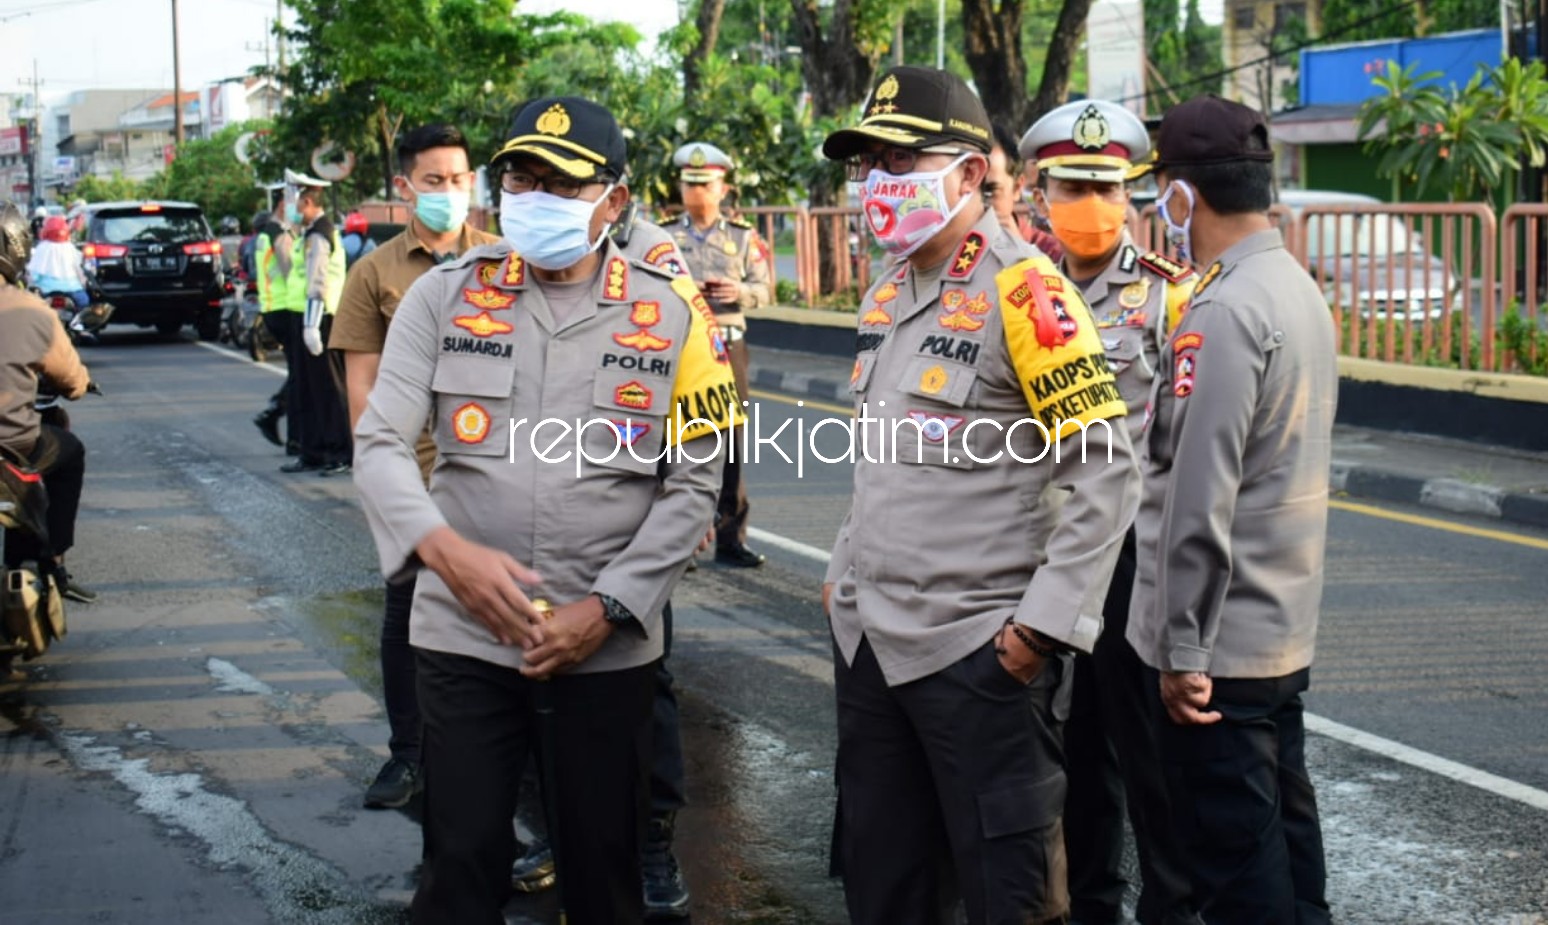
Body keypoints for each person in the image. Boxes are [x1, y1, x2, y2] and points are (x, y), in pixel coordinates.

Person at [353, 95, 739, 925]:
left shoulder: (672, 315)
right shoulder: (445, 297)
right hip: (461, 635)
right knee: (460, 864)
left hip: (605, 647)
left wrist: (606, 609)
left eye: (562, 183)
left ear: (615, 200)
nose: (535, 195)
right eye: (521, 177)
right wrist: (442, 552)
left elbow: (694, 484)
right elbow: (380, 440)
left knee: (603, 872)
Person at [820, 66, 1139, 925]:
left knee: (1012, 895)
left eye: (903, 158)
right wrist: (843, 568)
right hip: (872, 648)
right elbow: (881, 454)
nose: (881, 180)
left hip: (977, 653)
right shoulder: (888, 290)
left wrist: (1037, 629)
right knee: (885, 885)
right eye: (870, 162)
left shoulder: (1025, 288)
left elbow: (1106, 467)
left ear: (969, 172)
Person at [1126, 95, 1336, 924]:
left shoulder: (1220, 312)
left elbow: (1197, 496)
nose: (1154, 209)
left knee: (1236, 876)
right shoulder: (1296, 291)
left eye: (1159, 191)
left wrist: (1181, 651)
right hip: (1282, 634)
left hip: (1221, 658)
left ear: (1182, 196)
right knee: (1288, 846)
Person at [1020, 98, 1200, 925]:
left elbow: (1184, 441)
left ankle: (1171, 904)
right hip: (1046, 547)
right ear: (1041, 193)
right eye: (1072, 187)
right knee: (1073, 744)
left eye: (1105, 187)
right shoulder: (1021, 290)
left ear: (1131, 196)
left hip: (1133, 553)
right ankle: (1093, 903)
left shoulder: (1169, 298)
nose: (1090, 205)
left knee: (1148, 748)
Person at [329, 123, 499, 811]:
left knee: (497, 616)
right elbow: (362, 389)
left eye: (460, 180)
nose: (450, 193)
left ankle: (506, 766)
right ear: (405, 189)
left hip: (494, 476)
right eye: (434, 181)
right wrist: (386, 482)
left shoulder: (500, 259)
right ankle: (409, 753)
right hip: (418, 478)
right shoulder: (374, 274)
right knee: (407, 618)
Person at [667, 141, 771, 568]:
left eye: (705, 184)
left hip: (728, 343)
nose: (696, 193)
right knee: (678, 442)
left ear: (723, 188)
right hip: (680, 342)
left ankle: (730, 535)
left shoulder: (745, 239)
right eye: (689, 184)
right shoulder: (665, 237)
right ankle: (680, 540)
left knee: (731, 441)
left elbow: (766, 291)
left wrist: (739, 291)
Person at [0, 200, 96, 604]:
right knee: (69, 452)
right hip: (14, 445)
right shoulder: (33, 310)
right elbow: (73, 382)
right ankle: (52, 559)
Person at [278, 169, 351, 475]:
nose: (288, 206)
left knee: (329, 390)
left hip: (321, 320)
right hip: (304, 317)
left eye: (292, 200)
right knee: (306, 389)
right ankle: (313, 451)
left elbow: (317, 282)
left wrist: (311, 324)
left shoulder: (321, 233)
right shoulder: (307, 233)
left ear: (307, 201)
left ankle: (339, 452)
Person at [986, 123, 1063, 261]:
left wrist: (1020, 254)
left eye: (990, 192)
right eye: (967, 191)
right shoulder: (943, 247)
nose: (976, 204)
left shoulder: (1051, 253)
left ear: (1017, 188)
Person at [252, 201, 294, 449]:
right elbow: (291, 271)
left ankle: (279, 415)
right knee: (301, 375)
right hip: (284, 307)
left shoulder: (263, 236)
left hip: (271, 307)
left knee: (298, 373)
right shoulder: (277, 235)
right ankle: (274, 410)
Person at [27, 216, 92, 308]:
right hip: (72, 290)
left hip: (45, 292)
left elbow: (34, 275)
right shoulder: (70, 248)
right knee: (84, 304)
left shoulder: (41, 248)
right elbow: (79, 270)